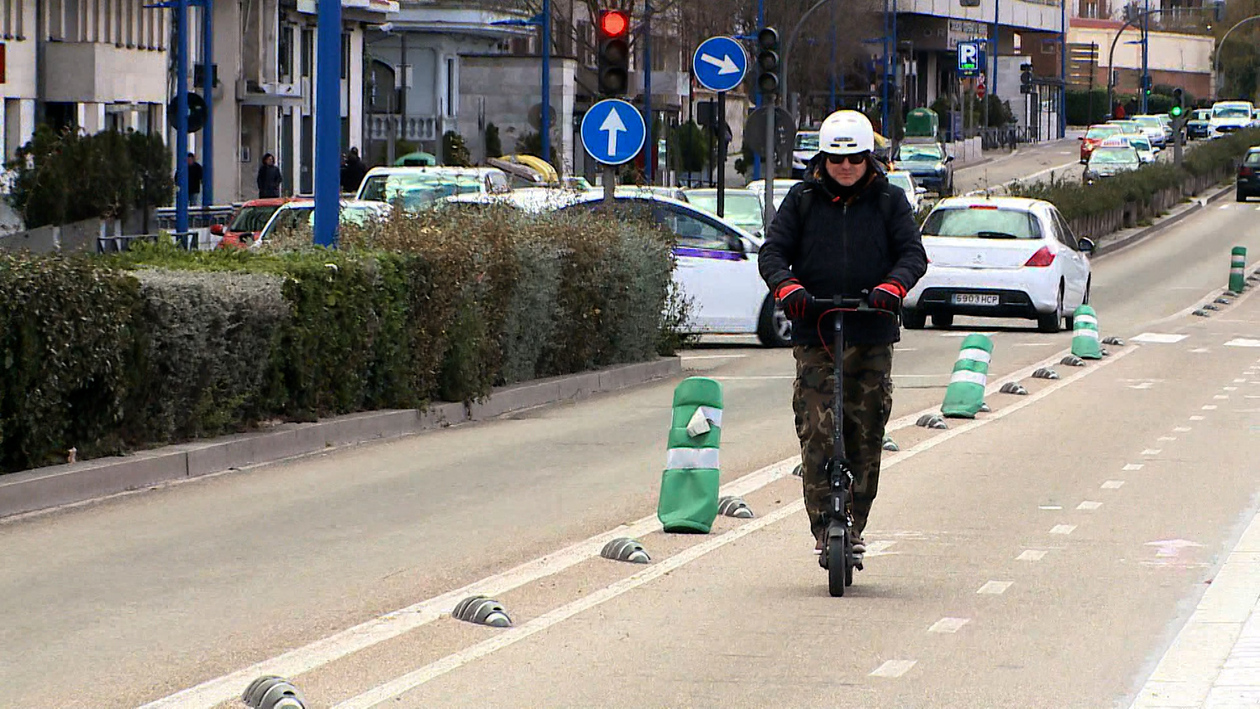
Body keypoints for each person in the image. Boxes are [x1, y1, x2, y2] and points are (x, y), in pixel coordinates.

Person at [757, 110, 927, 556]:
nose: (846, 168)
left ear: (869, 158)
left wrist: (892, 287)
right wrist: (788, 286)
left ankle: (854, 521)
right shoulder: (802, 200)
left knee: (865, 429)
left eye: (854, 159)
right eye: (836, 160)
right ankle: (824, 525)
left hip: (871, 328)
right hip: (816, 329)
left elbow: (912, 253)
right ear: (822, 159)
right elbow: (773, 252)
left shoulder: (890, 201)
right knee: (817, 428)